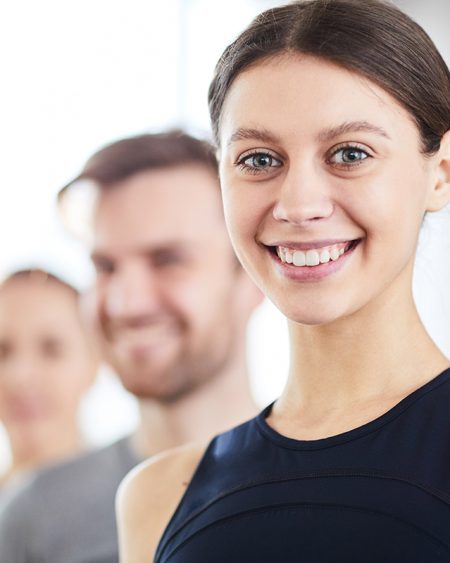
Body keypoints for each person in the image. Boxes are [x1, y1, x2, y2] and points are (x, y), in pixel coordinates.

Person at [117, 1, 450, 561]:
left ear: (439, 173)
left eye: (349, 154)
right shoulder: (156, 497)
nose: (297, 205)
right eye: (259, 160)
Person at [0, 131, 262, 563]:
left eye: (168, 260)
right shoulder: (34, 516)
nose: (127, 303)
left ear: (252, 277)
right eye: (105, 267)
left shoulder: (336, 489)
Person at [0, 269, 97, 488]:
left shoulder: (136, 505)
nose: (20, 377)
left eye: (51, 349)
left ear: (95, 361)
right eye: (2, 351)